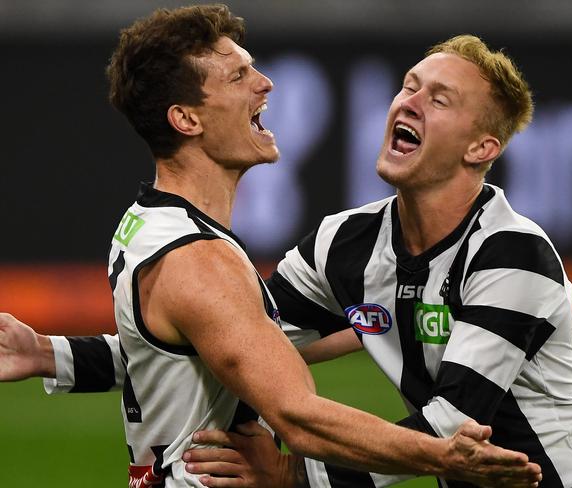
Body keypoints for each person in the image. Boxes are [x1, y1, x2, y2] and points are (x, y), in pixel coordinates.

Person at [0, 5, 544, 488]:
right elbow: (295, 413)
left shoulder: (147, 223)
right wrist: (444, 456)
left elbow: (214, 341)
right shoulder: (207, 259)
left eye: (438, 97)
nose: (266, 83)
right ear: (186, 119)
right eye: (239, 75)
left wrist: (47, 355)